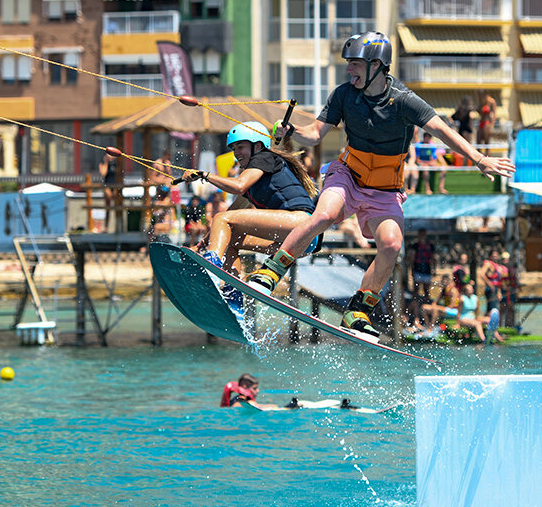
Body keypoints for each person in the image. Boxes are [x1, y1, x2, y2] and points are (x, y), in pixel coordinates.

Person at [245, 30, 515, 342]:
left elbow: (441, 129)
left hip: (386, 189)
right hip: (348, 174)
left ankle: (358, 309)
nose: (349, 70)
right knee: (323, 216)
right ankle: (270, 270)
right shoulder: (344, 95)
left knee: (392, 245)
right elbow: (316, 134)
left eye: (355, 64)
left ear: (377, 65)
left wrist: (479, 159)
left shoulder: (404, 101)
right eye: (348, 64)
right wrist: (291, 130)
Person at [183, 121, 320, 309]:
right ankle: (233, 295)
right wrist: (200, 245)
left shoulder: (264, 158)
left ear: (257, 145)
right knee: (229, 236)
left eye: (240, 147)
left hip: (302, 225)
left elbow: (238, 186)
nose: (236, 153)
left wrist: (205, 175)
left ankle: (211, 268)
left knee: (221, 218)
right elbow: (228, 217)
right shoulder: (254, 177)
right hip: (298, 243)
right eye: (233, 149)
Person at [406, 228, 434, 298]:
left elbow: (433, 258)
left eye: (423, 234)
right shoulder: (415, 246)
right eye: (421, 234)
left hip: (427, 269)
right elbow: (412, 259)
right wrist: (412, 270)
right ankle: (415, 304)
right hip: (417, 269)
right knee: (416, 289)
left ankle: (426, 303)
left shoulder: (430, 245)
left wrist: (434, 269)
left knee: (426, 289)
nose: (422, 236)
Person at [98, 150, 117, 232]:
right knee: (107, 207)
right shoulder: (102, 164)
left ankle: (117, 226)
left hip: (115, 186)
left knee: (117, 206)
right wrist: (106, 162)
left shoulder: (116, 164)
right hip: (107, 185)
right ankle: (106, 227)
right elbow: (103, 173)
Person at [480, 249, 503, 314]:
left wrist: (499, 292)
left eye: (496, 256)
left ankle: (488, 322)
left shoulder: (497, 266)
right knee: (492, 307)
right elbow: (481, 273)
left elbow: (499, 280)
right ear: (490, 256)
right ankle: (488, 322)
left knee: (494, 307)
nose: (495, 257)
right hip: (490, 288)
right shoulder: (488, 263)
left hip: (496, 288)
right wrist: (489, 284)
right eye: (493, 256)